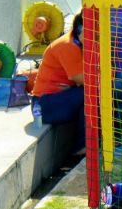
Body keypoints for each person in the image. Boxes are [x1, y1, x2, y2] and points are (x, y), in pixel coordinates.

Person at [32, 11, 85, 154]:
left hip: (59, 98)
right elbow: (83, 79)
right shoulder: (69, 45)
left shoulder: (78, 44)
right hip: (45, 105)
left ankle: (88, 143)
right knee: (91, 93)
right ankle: (82, 145)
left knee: (92, 93)